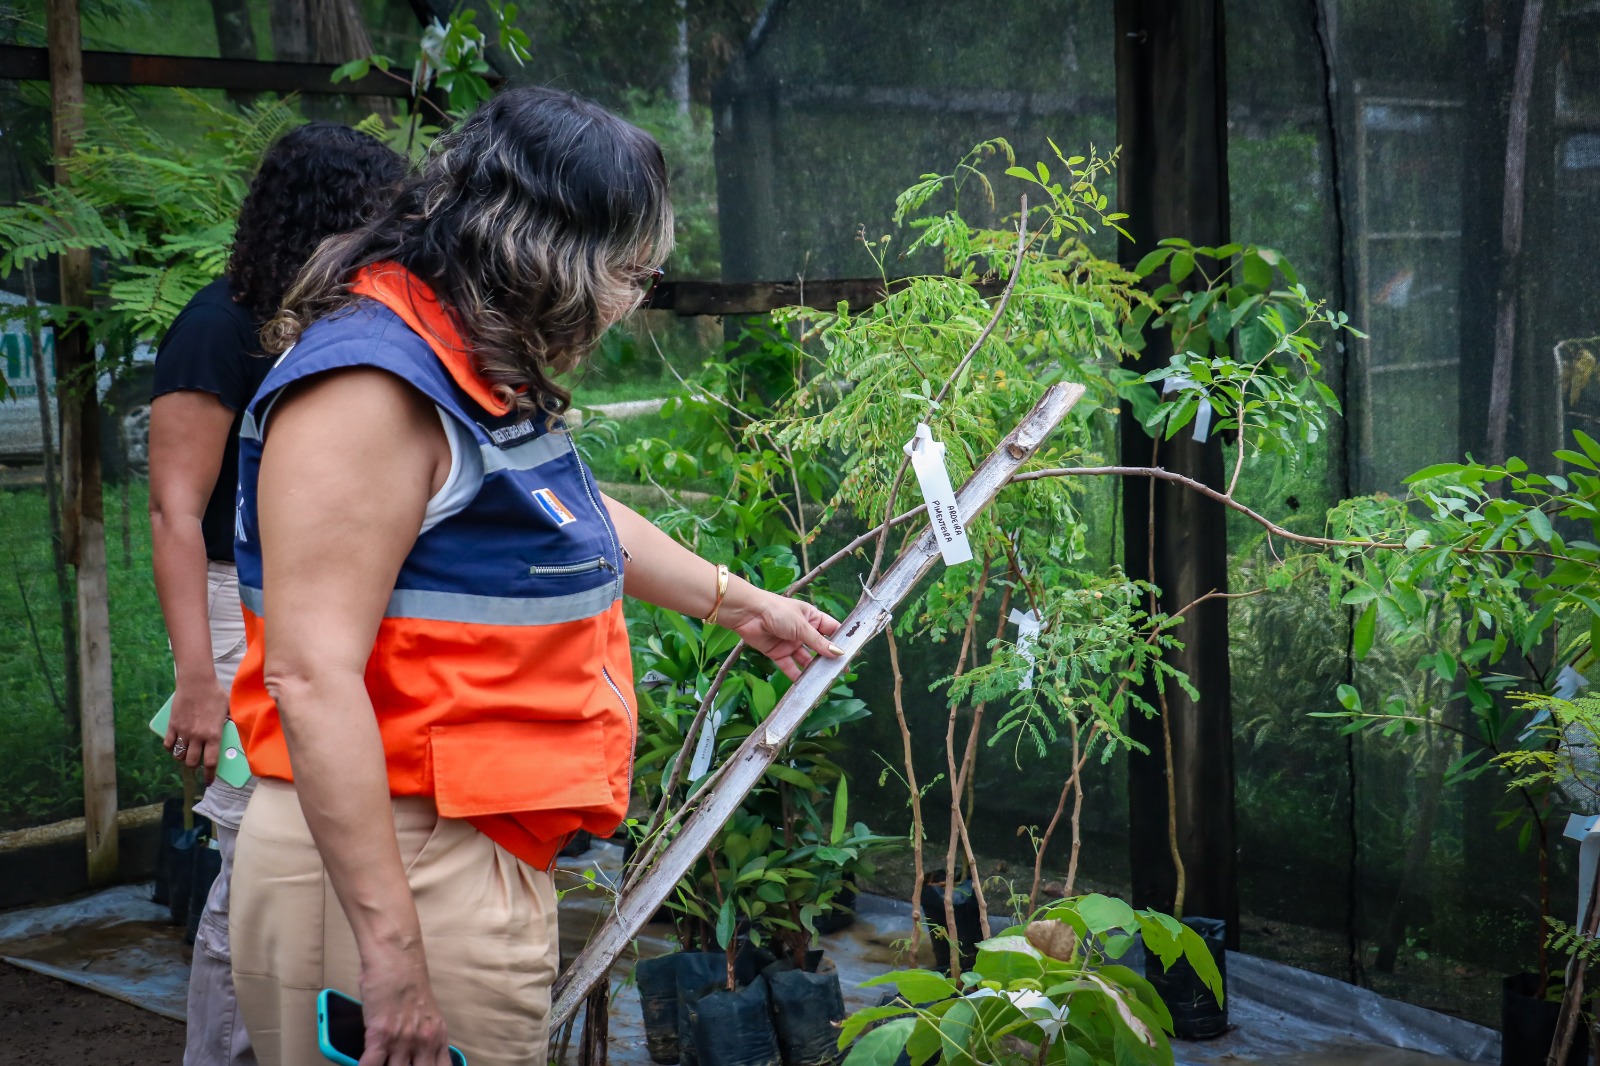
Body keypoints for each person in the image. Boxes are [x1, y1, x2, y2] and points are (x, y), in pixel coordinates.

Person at [225, 86, 841, 1066]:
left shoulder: (463, 361)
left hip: (460, 850)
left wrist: (740, 603)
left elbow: (569, 519)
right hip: (400, 861)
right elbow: (310, 674)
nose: (629, 303)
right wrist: (394, 955)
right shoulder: (371, 388)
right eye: (630, 274)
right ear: (551, 255)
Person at [148, 122, 407, 1066]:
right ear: (333, 214)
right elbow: (175, 512)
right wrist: (199, 679)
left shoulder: (329, 327)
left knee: (303, 845)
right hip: (234, 602)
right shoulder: (218, 327)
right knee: (248, 854)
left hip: (308, 607)